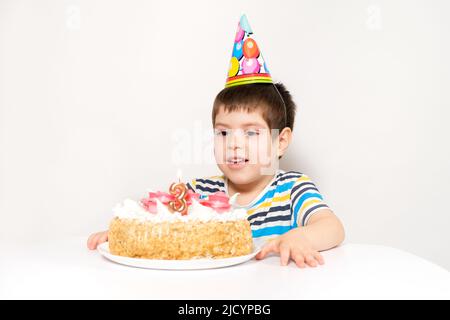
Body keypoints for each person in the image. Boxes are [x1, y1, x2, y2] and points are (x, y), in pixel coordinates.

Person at [87, 14, 345, 268]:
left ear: (280, 141)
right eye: (223, 133)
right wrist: (126, 235)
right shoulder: (200, 193)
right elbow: (155, 220)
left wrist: (301, 236)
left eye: (251, 132)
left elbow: (333, 227)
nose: (234, 143)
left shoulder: (292, 190)